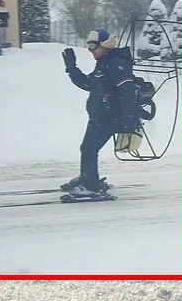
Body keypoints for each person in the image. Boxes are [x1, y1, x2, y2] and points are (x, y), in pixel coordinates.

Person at [59, 28, 142, 196]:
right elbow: (89, 84)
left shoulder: (116, 63)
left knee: (89, 149)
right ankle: (88, 178)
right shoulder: (103, 64)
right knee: (87, 148)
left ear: (105, 45)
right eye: (88, 47)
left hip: (111, 116)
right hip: (100, 116)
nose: (90, 51)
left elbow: (127, 90)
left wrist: (129, 116)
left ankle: (91, 186)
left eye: (93, 46)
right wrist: (72, 68)